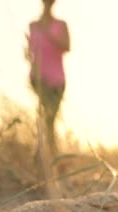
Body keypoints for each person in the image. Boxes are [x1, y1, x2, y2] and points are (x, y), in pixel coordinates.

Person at [26, 0, 70, 158]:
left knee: (50, 117)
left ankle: (42, 154)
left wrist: (49, 34)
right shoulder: (33, 25)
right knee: (47, 116)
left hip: (57, 78)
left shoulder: (61, 24)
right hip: (38, 78)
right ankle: (49, 155)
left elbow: (67, 46)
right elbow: (31, 53)